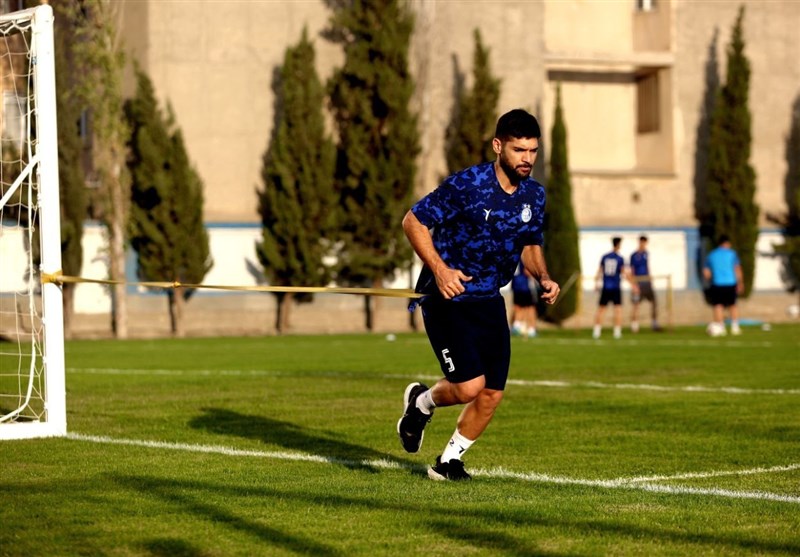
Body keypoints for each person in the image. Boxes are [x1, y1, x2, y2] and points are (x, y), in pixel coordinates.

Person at [397, 109, 560, 481]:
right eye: (519, 150)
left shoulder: (534, 195)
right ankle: (421, 403)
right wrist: (441, 270)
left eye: (533, 151)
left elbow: (530, 244)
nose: (527, 159)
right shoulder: (467, 185)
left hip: (489, 300)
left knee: (491, 394)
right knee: (470, 385)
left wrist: (543, 277)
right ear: (498, 146)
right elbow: (413, 221)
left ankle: (448, 462)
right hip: (446, 298)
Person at [592, 237, 638, 339]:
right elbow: (624, 273)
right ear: (618, 245)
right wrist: (633, 285)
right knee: (618, 310)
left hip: (606, 287)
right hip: (615, 287)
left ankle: (596, 331)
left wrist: (596, 283)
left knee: (601, 309)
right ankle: (617, 332)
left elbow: (599, 271)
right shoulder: (619, 258)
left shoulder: (605, 256)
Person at [703, 234, 744, 336]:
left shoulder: (712, 255)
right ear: (727, 243)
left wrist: (710, 280)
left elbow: (706, 272)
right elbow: (737, 268)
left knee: (718, 305)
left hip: (717, 283)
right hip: (730, 282)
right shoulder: (732, 254)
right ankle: (735, 327)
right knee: (732, 305)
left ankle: (721, 327)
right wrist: (740, 282)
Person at [629, 235, 661, 332]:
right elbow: (632, 270)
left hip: (647, 282)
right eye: (642, 242)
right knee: (636, 305)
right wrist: (633, 284)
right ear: (639, 242)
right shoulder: (634, 255)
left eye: (645, 242)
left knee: (654, 302)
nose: (643, 244)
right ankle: (634, 325)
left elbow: (647, 266)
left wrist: (650, 279)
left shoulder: (646, 253)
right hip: (638, 282)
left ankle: (654, 323)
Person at [510, 264, 539, 338]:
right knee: (530, 307)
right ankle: (531, 329)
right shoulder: (524, 258)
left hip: (516, 284)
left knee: (518, 306)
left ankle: (517, 326)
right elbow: (527, 271)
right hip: (525, 286)